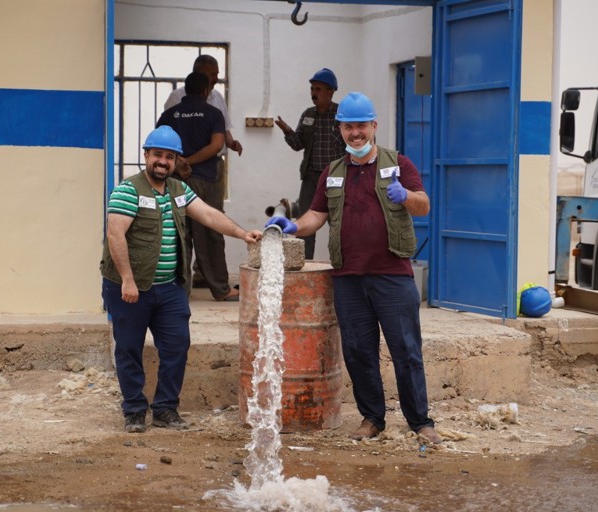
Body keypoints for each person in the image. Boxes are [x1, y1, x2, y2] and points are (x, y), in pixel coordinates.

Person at [264, 92, 442, 444]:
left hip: (392, 275)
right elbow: (317, 215)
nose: (355, 133)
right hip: (348, 278)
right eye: (348, 127)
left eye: (361, 125)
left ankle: (421, 422)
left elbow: (424, 205)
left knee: (406, 350)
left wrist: (405, 196)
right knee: (359, 352)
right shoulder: (332, 172)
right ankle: (372, 419)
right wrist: (294, 226)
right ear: (340, 130)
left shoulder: (398, 164)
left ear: (374, 126)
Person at [101, 125, 261, 433]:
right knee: (129, 348)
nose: (162, 162)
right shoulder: (128, 190)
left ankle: (165, 409)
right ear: (146, 156)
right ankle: (134, 410)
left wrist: (243, 234)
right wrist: (127, 280)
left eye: (169, 157)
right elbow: (115, 234)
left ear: (175, 161)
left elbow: (209, 215)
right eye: (157, 155)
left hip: (170, 287)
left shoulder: (178, 190)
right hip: (131, 287)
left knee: (177, 346)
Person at [157, 72, 239, 302]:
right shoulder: (213, 114)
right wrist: (191, 162)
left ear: (186, 90)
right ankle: (221, 289)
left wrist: (180, 162)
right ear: (205, 91)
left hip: (175, 181)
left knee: (178, 234)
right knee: (210, 231)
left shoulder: (169, 115)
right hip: (206, 180)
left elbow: (161, 144)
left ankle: (179, 290)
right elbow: (216, 145)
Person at [274, 68, 346, 260]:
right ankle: (303, 266)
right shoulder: (308, 114)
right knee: (305, 223)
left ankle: (341, 266)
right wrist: (288, 131)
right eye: (312, 89)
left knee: (338, 224)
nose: (314, 93)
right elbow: (298, 145)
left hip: (336, 178)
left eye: (318, 89)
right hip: (311, 178)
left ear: (331, 91)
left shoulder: (342, 115)